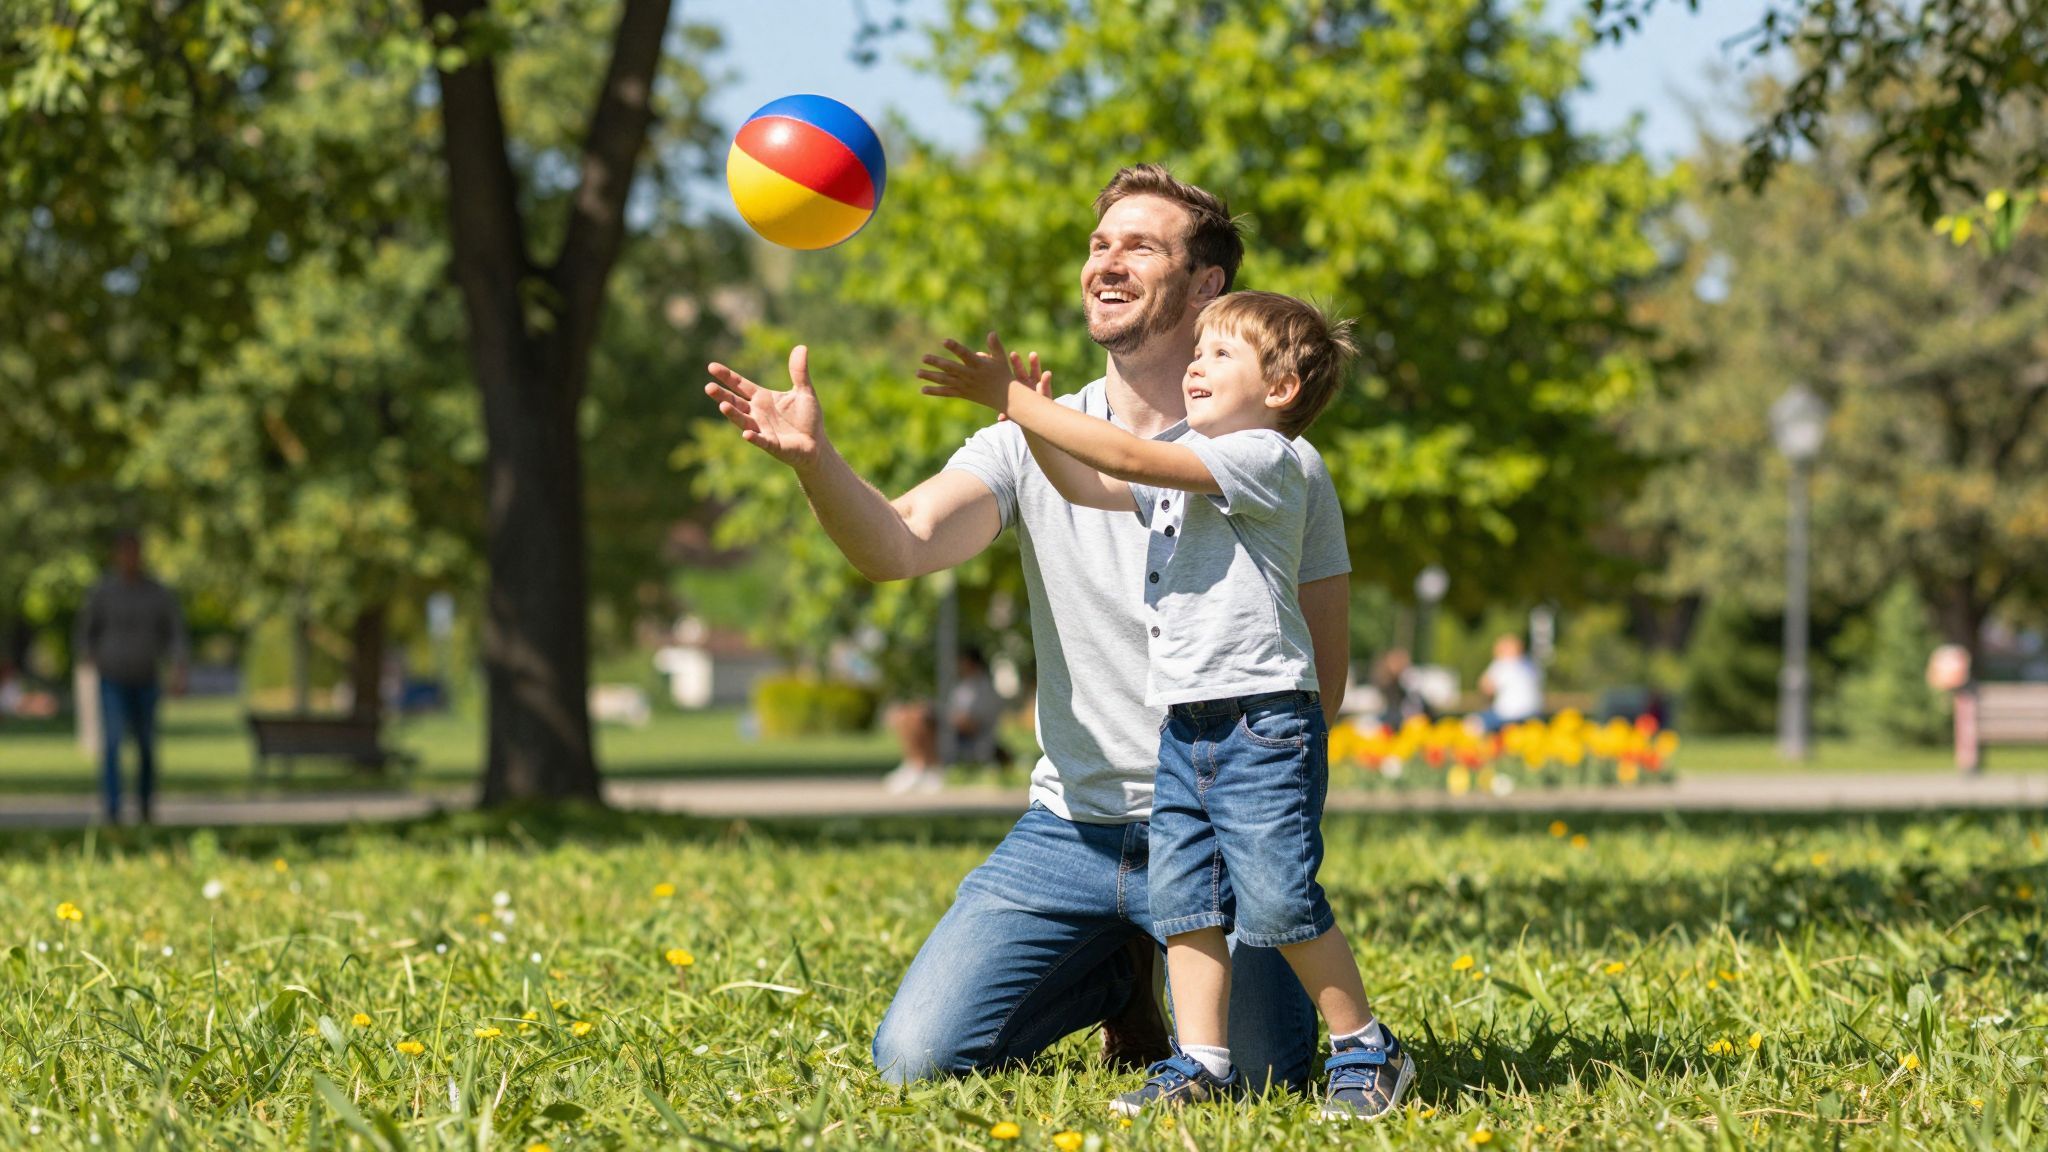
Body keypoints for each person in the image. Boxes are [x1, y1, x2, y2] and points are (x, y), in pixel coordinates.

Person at [704, 165, 1353, 1092]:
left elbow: (1321, 682)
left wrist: (1255, 833)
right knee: (916, 1061)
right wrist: (816, 462)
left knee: (1260, 1079)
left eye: (1140, 245)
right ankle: (1119, 974)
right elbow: (899, 544)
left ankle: (1207, 977)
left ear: (1207, 285)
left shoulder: (1280, 463)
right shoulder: (1034, 436)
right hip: (1074, 834)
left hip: (1216, 824)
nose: (1107, 261)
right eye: (1099, 244)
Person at [921, 290, 1411, 1119]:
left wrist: (1015, 400)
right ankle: (1201, 1060)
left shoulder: (1267, 458)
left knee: (1281, 898)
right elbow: (1092, 484)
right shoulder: (1195, 464)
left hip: (1261, 724)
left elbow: (1136, 460)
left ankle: (1365, 1045)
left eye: (1220, 355)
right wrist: (1035, 426)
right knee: (1185, 901)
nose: (1196, 366)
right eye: (1198, 354)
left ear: (1283, 389)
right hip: (1187, 726)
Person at [74, 530, 189, 824]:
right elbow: (86, 632)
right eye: (124, 552)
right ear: (117, 555)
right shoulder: (103, 592)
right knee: (112, 744)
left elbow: (174, 633)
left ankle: (146, 807)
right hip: (112, 678)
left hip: (146, 678)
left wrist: (178, 667)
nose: (130, 558)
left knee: (146, 745)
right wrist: (90, 656)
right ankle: (112, 809)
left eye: (134, 552)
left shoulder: (157, 593)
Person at [882, 645, 1010, 793]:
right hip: (955, 728)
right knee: (908, 715)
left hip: (970, 738)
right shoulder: (964, 687)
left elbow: (972, 724)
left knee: (920, 719)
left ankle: (925, 768)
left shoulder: (985, 689)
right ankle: (914, 764)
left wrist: (944, 715)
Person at [1475, 632, 1542, 733]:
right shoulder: (1530, 664)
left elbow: (1486, 687)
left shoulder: (1502, 664)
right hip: (1534, 715)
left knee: (1473, 723)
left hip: (1507, 716)